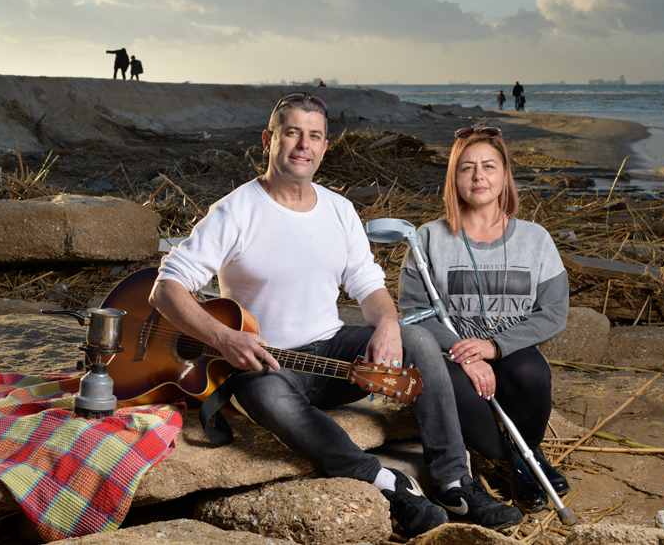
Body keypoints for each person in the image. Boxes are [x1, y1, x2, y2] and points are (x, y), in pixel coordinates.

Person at [149, 94, 522, 536]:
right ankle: (384, 480)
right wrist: (225, 339)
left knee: (417, 339)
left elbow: (368, 284)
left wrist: (385, 324)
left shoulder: (339, 209)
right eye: (291, 133)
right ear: (269, 140)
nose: (302, 145)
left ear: (325, 147)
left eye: (314, 136)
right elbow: (165, 288)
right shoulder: (236, 210)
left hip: (334, 354)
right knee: (266, 396)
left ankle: (452, 479)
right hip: (266, 363)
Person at [398, 125, 571, 513]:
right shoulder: (427, 239)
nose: (479, 177)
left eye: (489, 166)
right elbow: (412, 314)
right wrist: (465, 353)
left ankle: (530, 453)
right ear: (454, 178)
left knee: (531, 373)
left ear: (505, 174)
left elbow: (555, 311)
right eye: (467, 168)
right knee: (452, 385)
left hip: (511, 346)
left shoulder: (535, 238)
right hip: (453, 354)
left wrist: (495, 346)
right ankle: (514, 465)